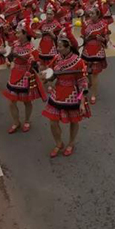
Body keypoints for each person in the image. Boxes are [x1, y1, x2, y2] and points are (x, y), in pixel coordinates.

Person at [41, 26, 89, 158]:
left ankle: (71, 143)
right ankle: (59, 143)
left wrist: (82, 103)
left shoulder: (79, 62)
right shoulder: (57, 58)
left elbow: (82, 83)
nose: (58, 48)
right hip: (58, 92)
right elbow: (50, 73)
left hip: (72, 95)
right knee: (52, 121)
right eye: (57, 46)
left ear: (68, 47)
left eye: (60, 46)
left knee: (74, 121)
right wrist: (45, 76)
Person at [80, 4, 109, 104]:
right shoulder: (86, 23)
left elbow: (106, 40)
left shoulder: (103, 25)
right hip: (87, 50)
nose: (90, 15)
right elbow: (82, 36)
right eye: (90, 13)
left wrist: (102, 39)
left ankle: (93, 95)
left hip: (97, 51)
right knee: (87, 72)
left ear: (97, 14)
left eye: (92, 13)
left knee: (95, 74)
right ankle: (90, 84)